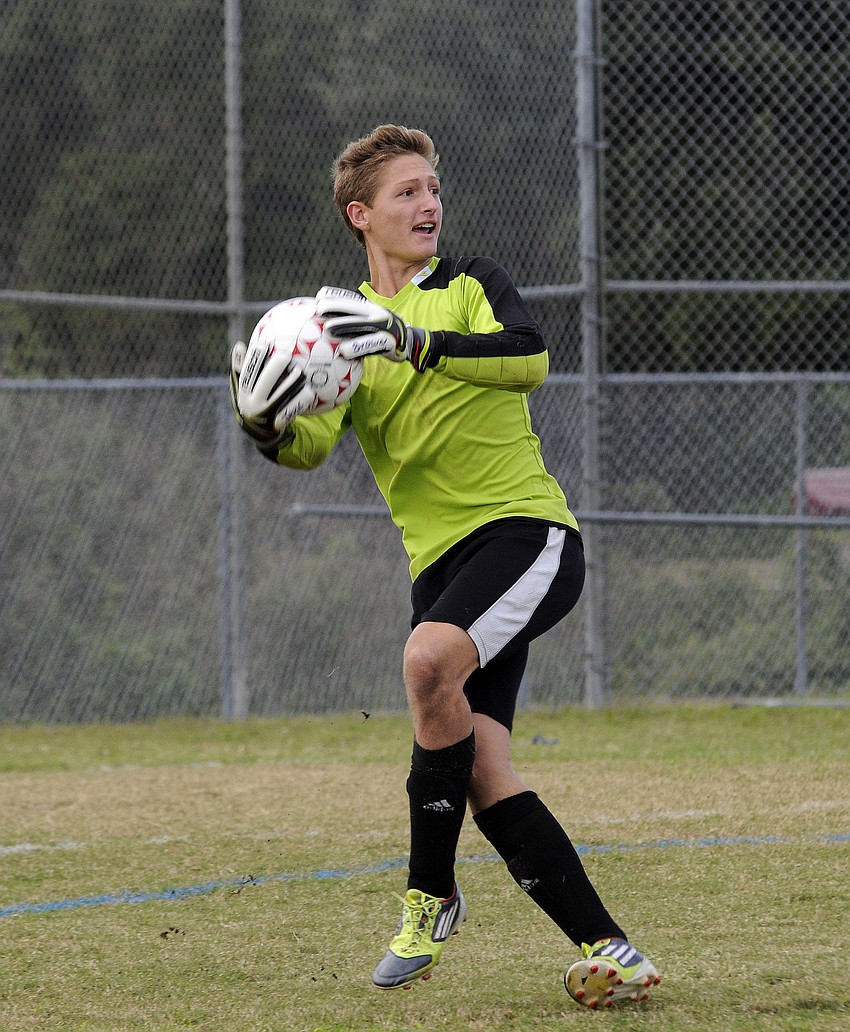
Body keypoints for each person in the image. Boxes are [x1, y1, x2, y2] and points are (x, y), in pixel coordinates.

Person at [229, 123, 661, 1009]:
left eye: (432, 188)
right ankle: (614, 952)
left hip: (526, 535)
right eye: (405, 193)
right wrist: (267, 424)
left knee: (427, 662)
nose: (428, 203)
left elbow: (530, 357)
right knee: (482, 767)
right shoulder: (336, 329)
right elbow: (312, 447)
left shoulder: (468, 285)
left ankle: (427, 900)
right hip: (442, 571)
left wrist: (411, 339)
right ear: (362, 215)